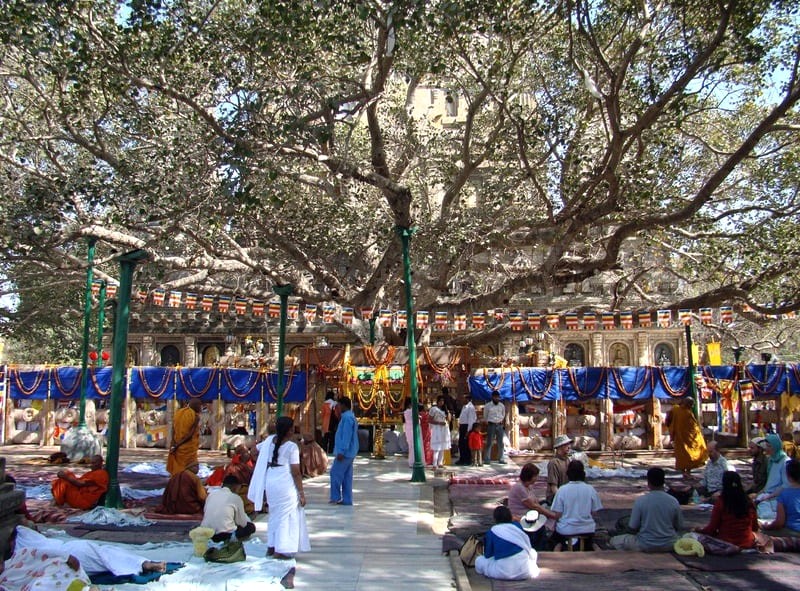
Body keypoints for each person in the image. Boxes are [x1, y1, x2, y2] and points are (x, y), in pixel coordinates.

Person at [248, 415, 310, 559]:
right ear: (289, 431)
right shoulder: (291, 447)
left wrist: (264, 462)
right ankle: (280, 549)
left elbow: (253, 451)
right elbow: (296, 472)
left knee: (274, 513)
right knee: (285, 516)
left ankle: (272, 545)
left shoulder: (269, 441)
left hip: (271, 479)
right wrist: (301, 493)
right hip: (285, 481)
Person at [13, 525, 167, 577]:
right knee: (107, 555)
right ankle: (144, 564)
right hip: (70, 554)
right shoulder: (25, 546)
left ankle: (144, 564)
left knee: (108, 554)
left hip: (72, 551)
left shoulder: (26, 540)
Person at [610, 467, 684, 552]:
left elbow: (632, 527)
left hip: (645, 544)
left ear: (649, 483)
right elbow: (680, 526)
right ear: (663, 482)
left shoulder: (641, 501)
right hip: (670, 544)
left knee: (614, 541)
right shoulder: (673, 501)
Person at [695, 471, 758, 549]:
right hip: (747, 542)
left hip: (726, 542)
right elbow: (755, 527)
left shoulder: (721, 502)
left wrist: (699, 530)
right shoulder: (749, 501)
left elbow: (712, 528)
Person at [475, 506, 539, 582]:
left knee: (479, 561)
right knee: (532, 552)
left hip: (502, 572)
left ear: (495, 519)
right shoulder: (518, 526)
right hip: (525, 571)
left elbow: (488, 555)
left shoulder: (492, 531)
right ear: (510, 517)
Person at [550, 460, 602, 551]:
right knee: (592, 543)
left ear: (568, 474)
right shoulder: (590, 489)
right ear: (583, 473)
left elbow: (557, 514)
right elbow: (594, 512)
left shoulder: (562, 490)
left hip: (565, 530)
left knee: (555, 542)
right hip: (587, 529)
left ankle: (557, 552)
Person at [508, 463, 556, 549]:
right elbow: (534, 506)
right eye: (536, 476)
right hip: (521, 517)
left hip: (531, 514)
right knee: (543, 525)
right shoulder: (519, 488)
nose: (537, 478)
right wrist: (552, 515)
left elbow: (536, 503)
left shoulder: (528, 487)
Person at [201, 474, 256, 543]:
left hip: (206, 532)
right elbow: (242, 523)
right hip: (224, 535)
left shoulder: (212, 494)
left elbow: (205, 511)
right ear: (235, 487)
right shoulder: (235, 497)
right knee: (251, 527)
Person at [329, 396, 359, 505]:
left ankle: (335, 497)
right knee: (346, 476)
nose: (338, 407)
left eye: (339, 405)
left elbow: (346, 436)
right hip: (350, 451)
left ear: (343, 405)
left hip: (345, 452)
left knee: (335, 473)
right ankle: (347, 499)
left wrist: (342, 451)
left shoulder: (347, 418)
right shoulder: (349, 416)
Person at [666, 397, 708, 475]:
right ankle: (686, 472)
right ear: (687, 403)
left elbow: (693, 425)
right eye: (691, 405)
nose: (692, 406)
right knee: (686, 455)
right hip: (683, 437)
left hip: (686, 437)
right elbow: (693, 425)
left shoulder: (677, 410)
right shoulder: (679, 411)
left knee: (686, 454)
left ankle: (687, 472)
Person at [756, 433, 791, 519]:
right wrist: (760, 493)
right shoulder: (771, 460)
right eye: (766, 446)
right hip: (767, 495)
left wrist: (768, 496)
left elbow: (785, 486)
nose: (766, 449)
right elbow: (770, 483)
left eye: (769, 446)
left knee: (763, 514)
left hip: (777, 497)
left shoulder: (785, 462)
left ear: (775, 447)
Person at [763, 459, 800, 536]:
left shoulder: (784, 494)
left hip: (793, 531)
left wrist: (767, 526)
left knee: (761, 534)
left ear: (788, 476)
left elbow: (779, 523)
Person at [167, 399, 202, 476]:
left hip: (177, 444)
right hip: (186, 446)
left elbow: (173, 429)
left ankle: (178, 477)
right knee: (194, 469)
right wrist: (177, 445)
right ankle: (184, 479)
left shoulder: (179, 413)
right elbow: (190, 435)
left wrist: (173, 443)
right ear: (196, 406)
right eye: (200, 406)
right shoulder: (196, 417)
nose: (201, 408)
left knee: (179, 467)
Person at [546, 435, 572, 504]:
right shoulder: (554, 463)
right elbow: (553, 487)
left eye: (569, 444)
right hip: (555, 499)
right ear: (559, 447)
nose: (569, 447)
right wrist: (563, 500)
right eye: (566, 445)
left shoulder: (568, 460)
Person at [483, 391, 506, 464]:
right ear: (492, 397)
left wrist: (500, 420)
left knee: (500, 443)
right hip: (491, 425)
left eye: (498, 397)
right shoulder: (488, 405)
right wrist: (488, 422)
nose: (497, 398)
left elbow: (503, 414)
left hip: (499, 425)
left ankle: (501, 459)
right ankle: (487, 459)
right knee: (489, 442)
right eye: (495, 397)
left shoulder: (502, 405)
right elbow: (485, 415)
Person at [429, 395, 451, 469]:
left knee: (442, 447)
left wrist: (448, 412)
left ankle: (440, 463)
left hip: (444, 429)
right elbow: (430, 420)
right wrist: (439, 423)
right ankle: (434, 464)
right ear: (437, 401)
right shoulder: (433, 409)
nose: (442, 402)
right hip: (437, 429)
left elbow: (448, 419)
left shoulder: (444, 410)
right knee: (437, 447)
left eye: (443, 401)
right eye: (440, 401)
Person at [456, 394, 478, 465]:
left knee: (466, 444)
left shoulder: (470, 407)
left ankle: (467, 460)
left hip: (467, 427)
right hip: (462, 427)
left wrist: (468, 431)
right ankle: (462, 459)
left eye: (463, 398)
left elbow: (471, 420)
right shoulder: (464, 407)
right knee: (461, 444)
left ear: (467, 399)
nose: (462, 400)